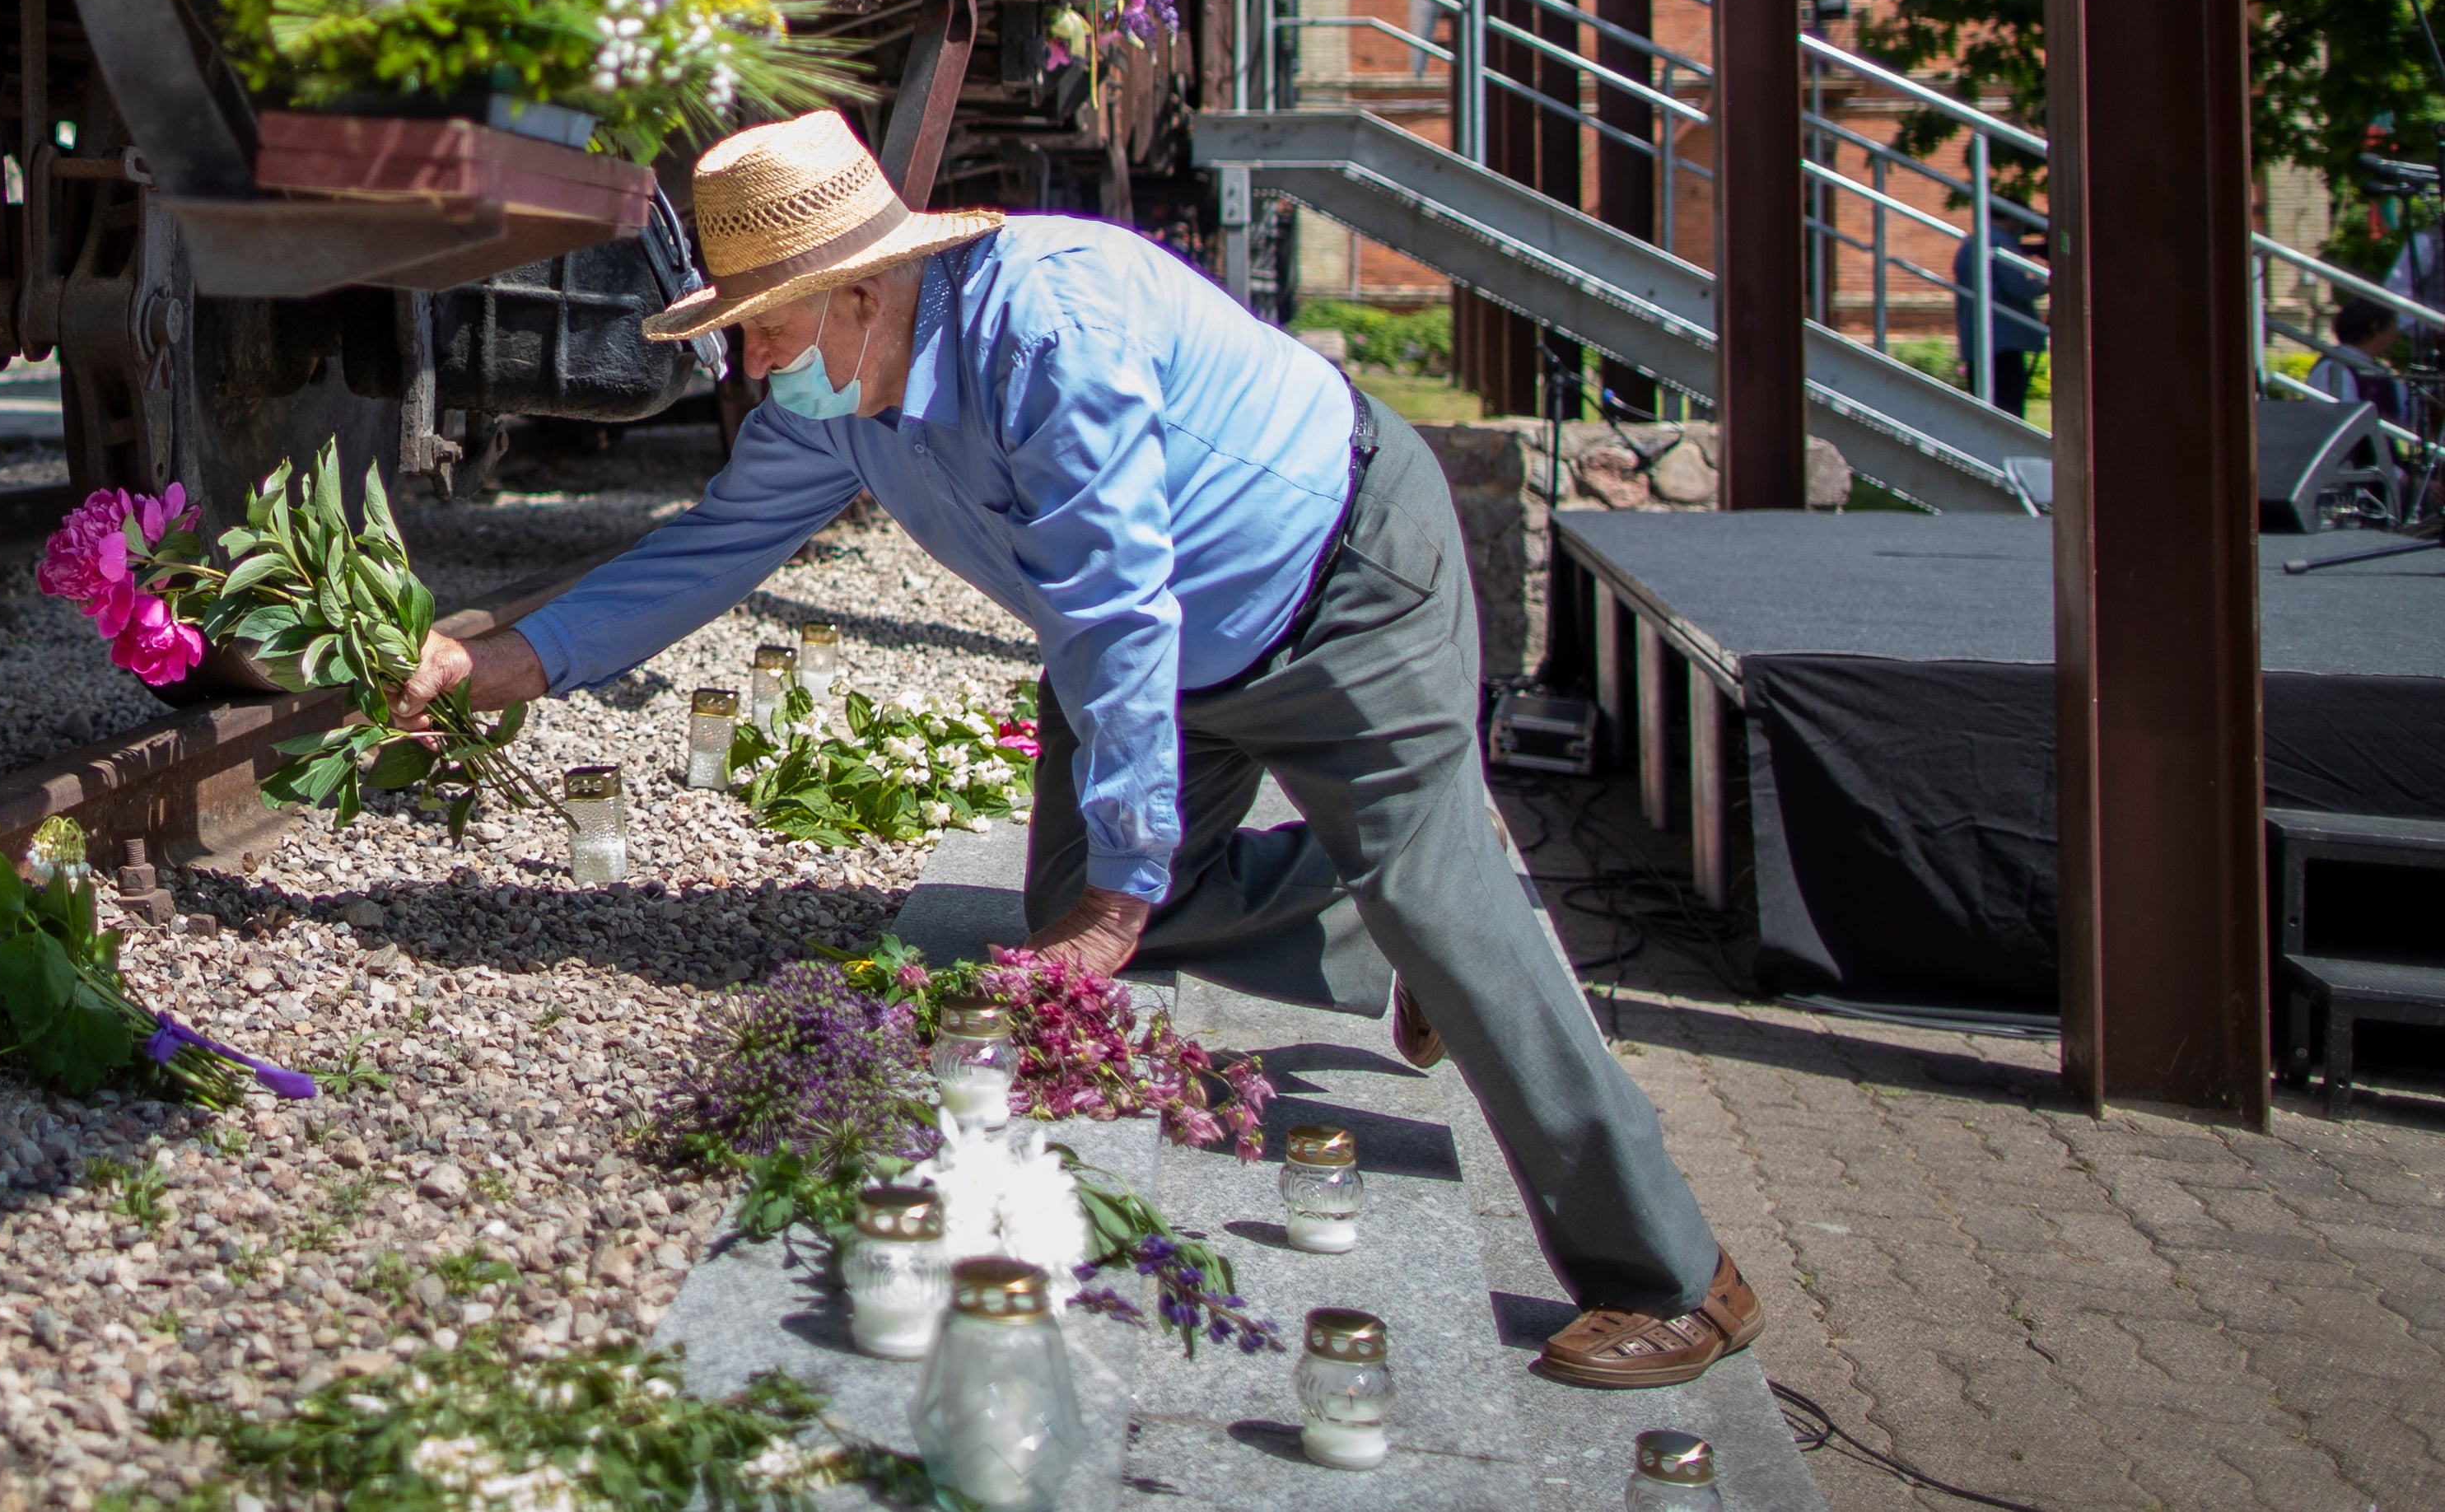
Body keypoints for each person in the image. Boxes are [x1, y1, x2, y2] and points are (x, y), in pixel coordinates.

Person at [392, 111, 1761, 1390]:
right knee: (1084, 912)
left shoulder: (1049, 319)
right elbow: (716, 542)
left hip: (1338, 588)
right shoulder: (840, 400)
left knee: (1380, 894)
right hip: (1165, 646)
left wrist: (1123, 893)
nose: (748, 362)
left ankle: (1672, 1271)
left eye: (762, 325)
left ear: (860, 286)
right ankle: (1368, 913)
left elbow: (1114, 599)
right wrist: (509, 658)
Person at [1948, 195, 2045, 417]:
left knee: (1985, 410)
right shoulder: (2000, 244)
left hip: (1976, 340)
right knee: (2008, 410)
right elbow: (2017, 289)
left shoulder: (1972, 243)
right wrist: (2044, 284)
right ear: (2014, 218)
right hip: (2003, 341)